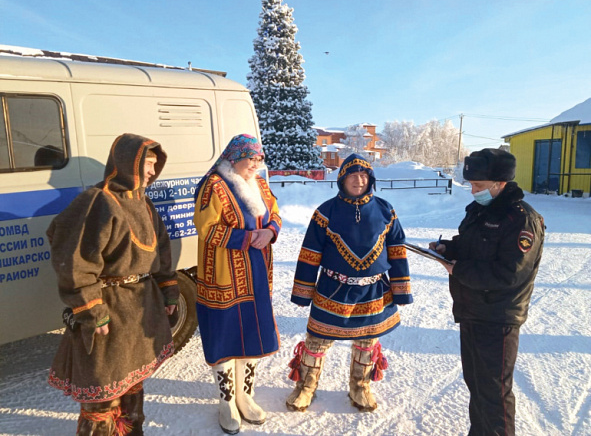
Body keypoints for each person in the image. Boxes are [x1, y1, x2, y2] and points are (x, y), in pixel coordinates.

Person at [46, 133, 179, 435]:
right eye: (147, 163)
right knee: (102, 390)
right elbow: (74, 259)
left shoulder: (144, 203)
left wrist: (169, 290)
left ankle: (131, 431)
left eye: (155, 164)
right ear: (127, 162)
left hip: (141, 309)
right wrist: (91, 309)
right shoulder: (98, 201)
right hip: (109, 310)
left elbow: (161, 252)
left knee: (132, 383)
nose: (152, 171)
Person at [429, 148, 545, 436]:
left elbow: (510, 273)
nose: (473, 191)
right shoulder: (481, 209)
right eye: (471, 184)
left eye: (478, 185)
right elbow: (471, 245)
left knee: (494, 393)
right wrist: (448, 249)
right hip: (472, 309)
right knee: (477, 385)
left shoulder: (521, 219)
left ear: (500, 183)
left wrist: (458, 270)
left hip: (498, 317)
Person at [286, 153, 412, 413]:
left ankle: (360, 387)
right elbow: (310, 253)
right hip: (333, 289)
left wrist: (401, 290)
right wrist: (302, 292)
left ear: (371, 179)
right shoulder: (325, 212)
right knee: (317, 340)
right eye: (352, 175)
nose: (358, 180)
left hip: (373, 290)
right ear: (342, 179)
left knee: (367, 341)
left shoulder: (386, 210)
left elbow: (397, 250)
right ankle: (305, 387)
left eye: (364, 175)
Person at [193, 134, 281, 435]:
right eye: (250, 158)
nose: (256, 164)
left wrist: (270, 231)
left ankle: (246, 395)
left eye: (259, 158)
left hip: (257, 272)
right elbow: (206, 227)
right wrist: (247, 238)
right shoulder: (214, 185)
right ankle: (227, 401)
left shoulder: (260, 183)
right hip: (223, 273)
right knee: (226, 334)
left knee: (253, 331)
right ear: (234, 158)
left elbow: (275, 213)